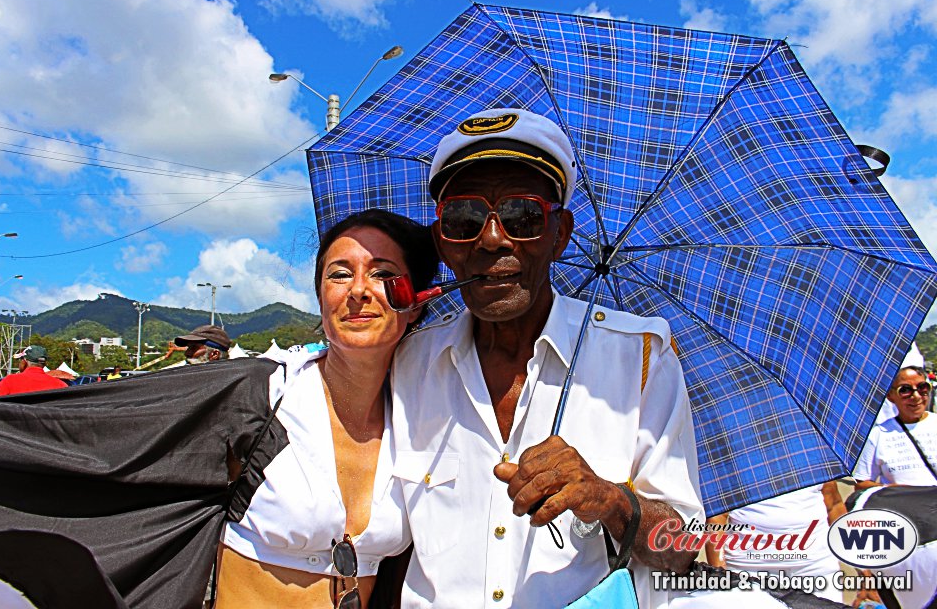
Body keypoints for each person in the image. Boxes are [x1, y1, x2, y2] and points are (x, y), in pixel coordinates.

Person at [390, 109, 703, 608]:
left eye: (523, 216)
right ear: (443, 244)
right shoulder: (407, 364)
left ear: (559, 235)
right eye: (465, 219)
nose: (493, 239)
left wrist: (608, 498)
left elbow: (683, 550)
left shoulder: (639, 355)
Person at [214, 209, 438, 608]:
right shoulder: (262, 395)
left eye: (383, 274)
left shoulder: (423, 421)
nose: (358, 290)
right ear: (320, 298)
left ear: (416, 302)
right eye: (339, 274)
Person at [704, 483, 846, 603]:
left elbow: (834, 505)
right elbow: (717, 517)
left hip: (816, 568)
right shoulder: (734, 456)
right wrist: (718, 573)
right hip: (749, 571)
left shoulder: (813, 454)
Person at [854, 365, 937, 488]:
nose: (916, 396)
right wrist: (892, 489)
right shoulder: (879, 434)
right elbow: (861, 484)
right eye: (905, 390)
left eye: (922, 387)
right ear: (890, 396)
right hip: (898, 505)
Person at [0, 345, 68, 397]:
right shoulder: (61, 385)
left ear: (24, 361)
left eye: (20, 360)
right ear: (44, 363)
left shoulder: (10, 381)